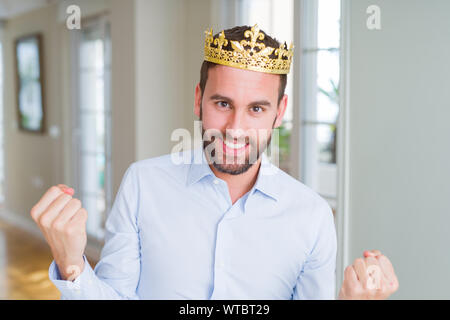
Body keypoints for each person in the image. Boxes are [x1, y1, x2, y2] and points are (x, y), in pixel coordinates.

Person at [30, 25, 398, 299]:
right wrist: (71, 262)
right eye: (223, 104)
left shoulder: (312, 216)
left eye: (256, 108)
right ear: (198, 99)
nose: (235, 129)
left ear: (279, 111)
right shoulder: (143, 184)